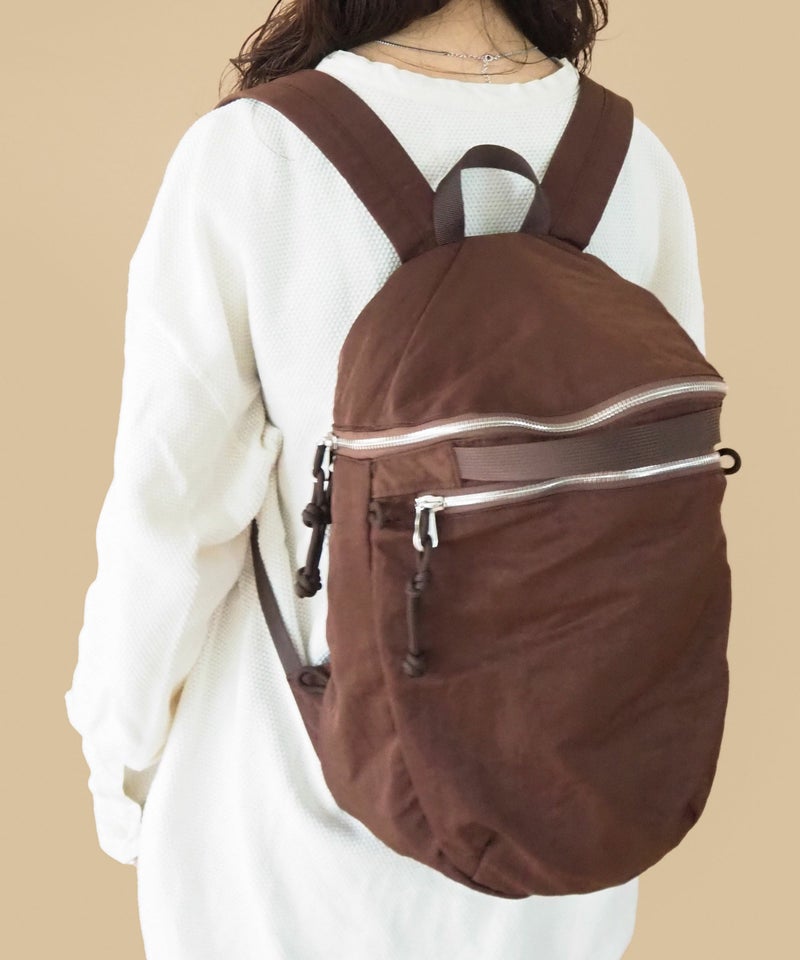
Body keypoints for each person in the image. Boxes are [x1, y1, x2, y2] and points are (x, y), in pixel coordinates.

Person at [64, 1, 706, 957]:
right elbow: (658, 501)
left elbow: (171, 518)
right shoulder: (634, 163)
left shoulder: (257, 155)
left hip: (283, 852)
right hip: (563, 854)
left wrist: (119, 764)